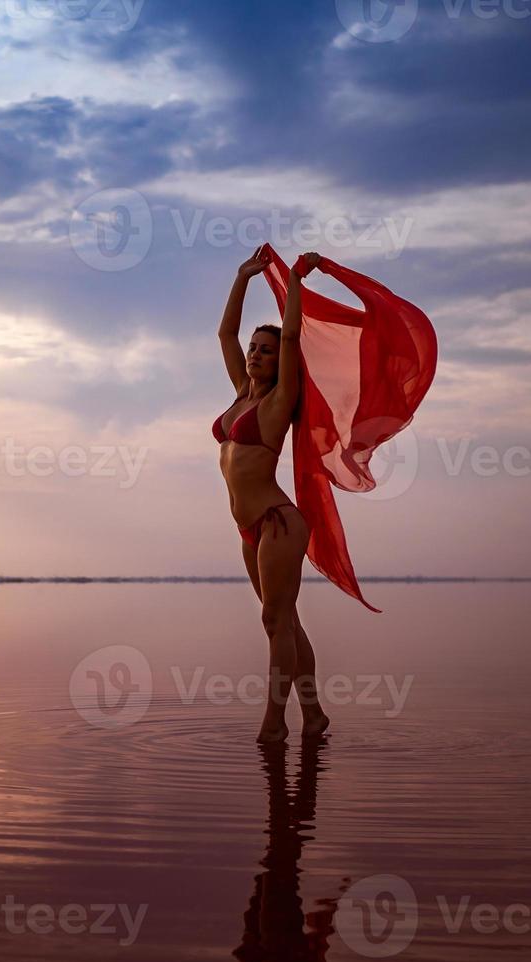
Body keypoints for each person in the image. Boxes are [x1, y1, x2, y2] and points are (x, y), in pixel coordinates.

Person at [214, 247, 330, 744]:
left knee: (273, 621)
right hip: (249, 529)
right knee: (285, 622)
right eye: (253, 349)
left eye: (265, 349)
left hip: (279, 522)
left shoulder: (282, 400)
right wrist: (242, 278)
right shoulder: (242, 391)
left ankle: (274, 722)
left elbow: (291, 336)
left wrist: (297, 282)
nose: (256, 354)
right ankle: (315, 715)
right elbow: (224, 334)